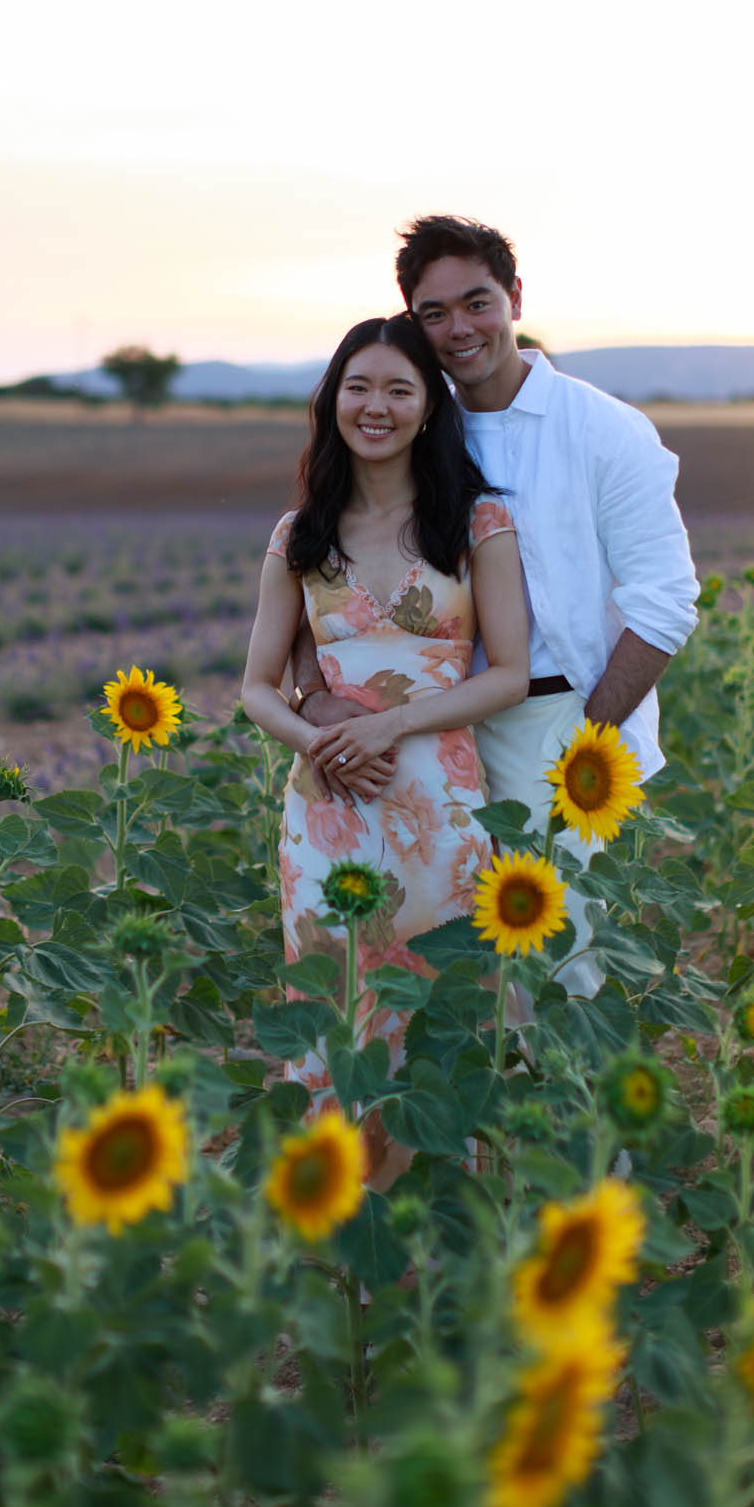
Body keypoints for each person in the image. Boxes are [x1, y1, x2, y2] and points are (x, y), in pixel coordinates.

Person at [292, 215, 700, 999]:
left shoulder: (604, 430)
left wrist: (585, 744)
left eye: (476, 303)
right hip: (414, 737)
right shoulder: (409, 421)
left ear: (514, 297)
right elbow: (316, 563)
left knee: (560, 974)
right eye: (433, 313)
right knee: (438, 975)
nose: (458, 329)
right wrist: (312, 693)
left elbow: (665, 602)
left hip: (552, 723)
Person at [241, 313, 531, 1186]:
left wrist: (389, 725)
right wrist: (318, 741)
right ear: (331, 399)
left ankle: (443, 1218)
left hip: (439, 807)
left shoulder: (477, 521)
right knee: (335, 1011)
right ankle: (344, 1228)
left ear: (428, 407)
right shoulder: (300, 533)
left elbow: (509, 674)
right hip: (324, 811)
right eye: (358, 387)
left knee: (441, 1010)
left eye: (399, 389)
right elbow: (256, 687)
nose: (376, 406)